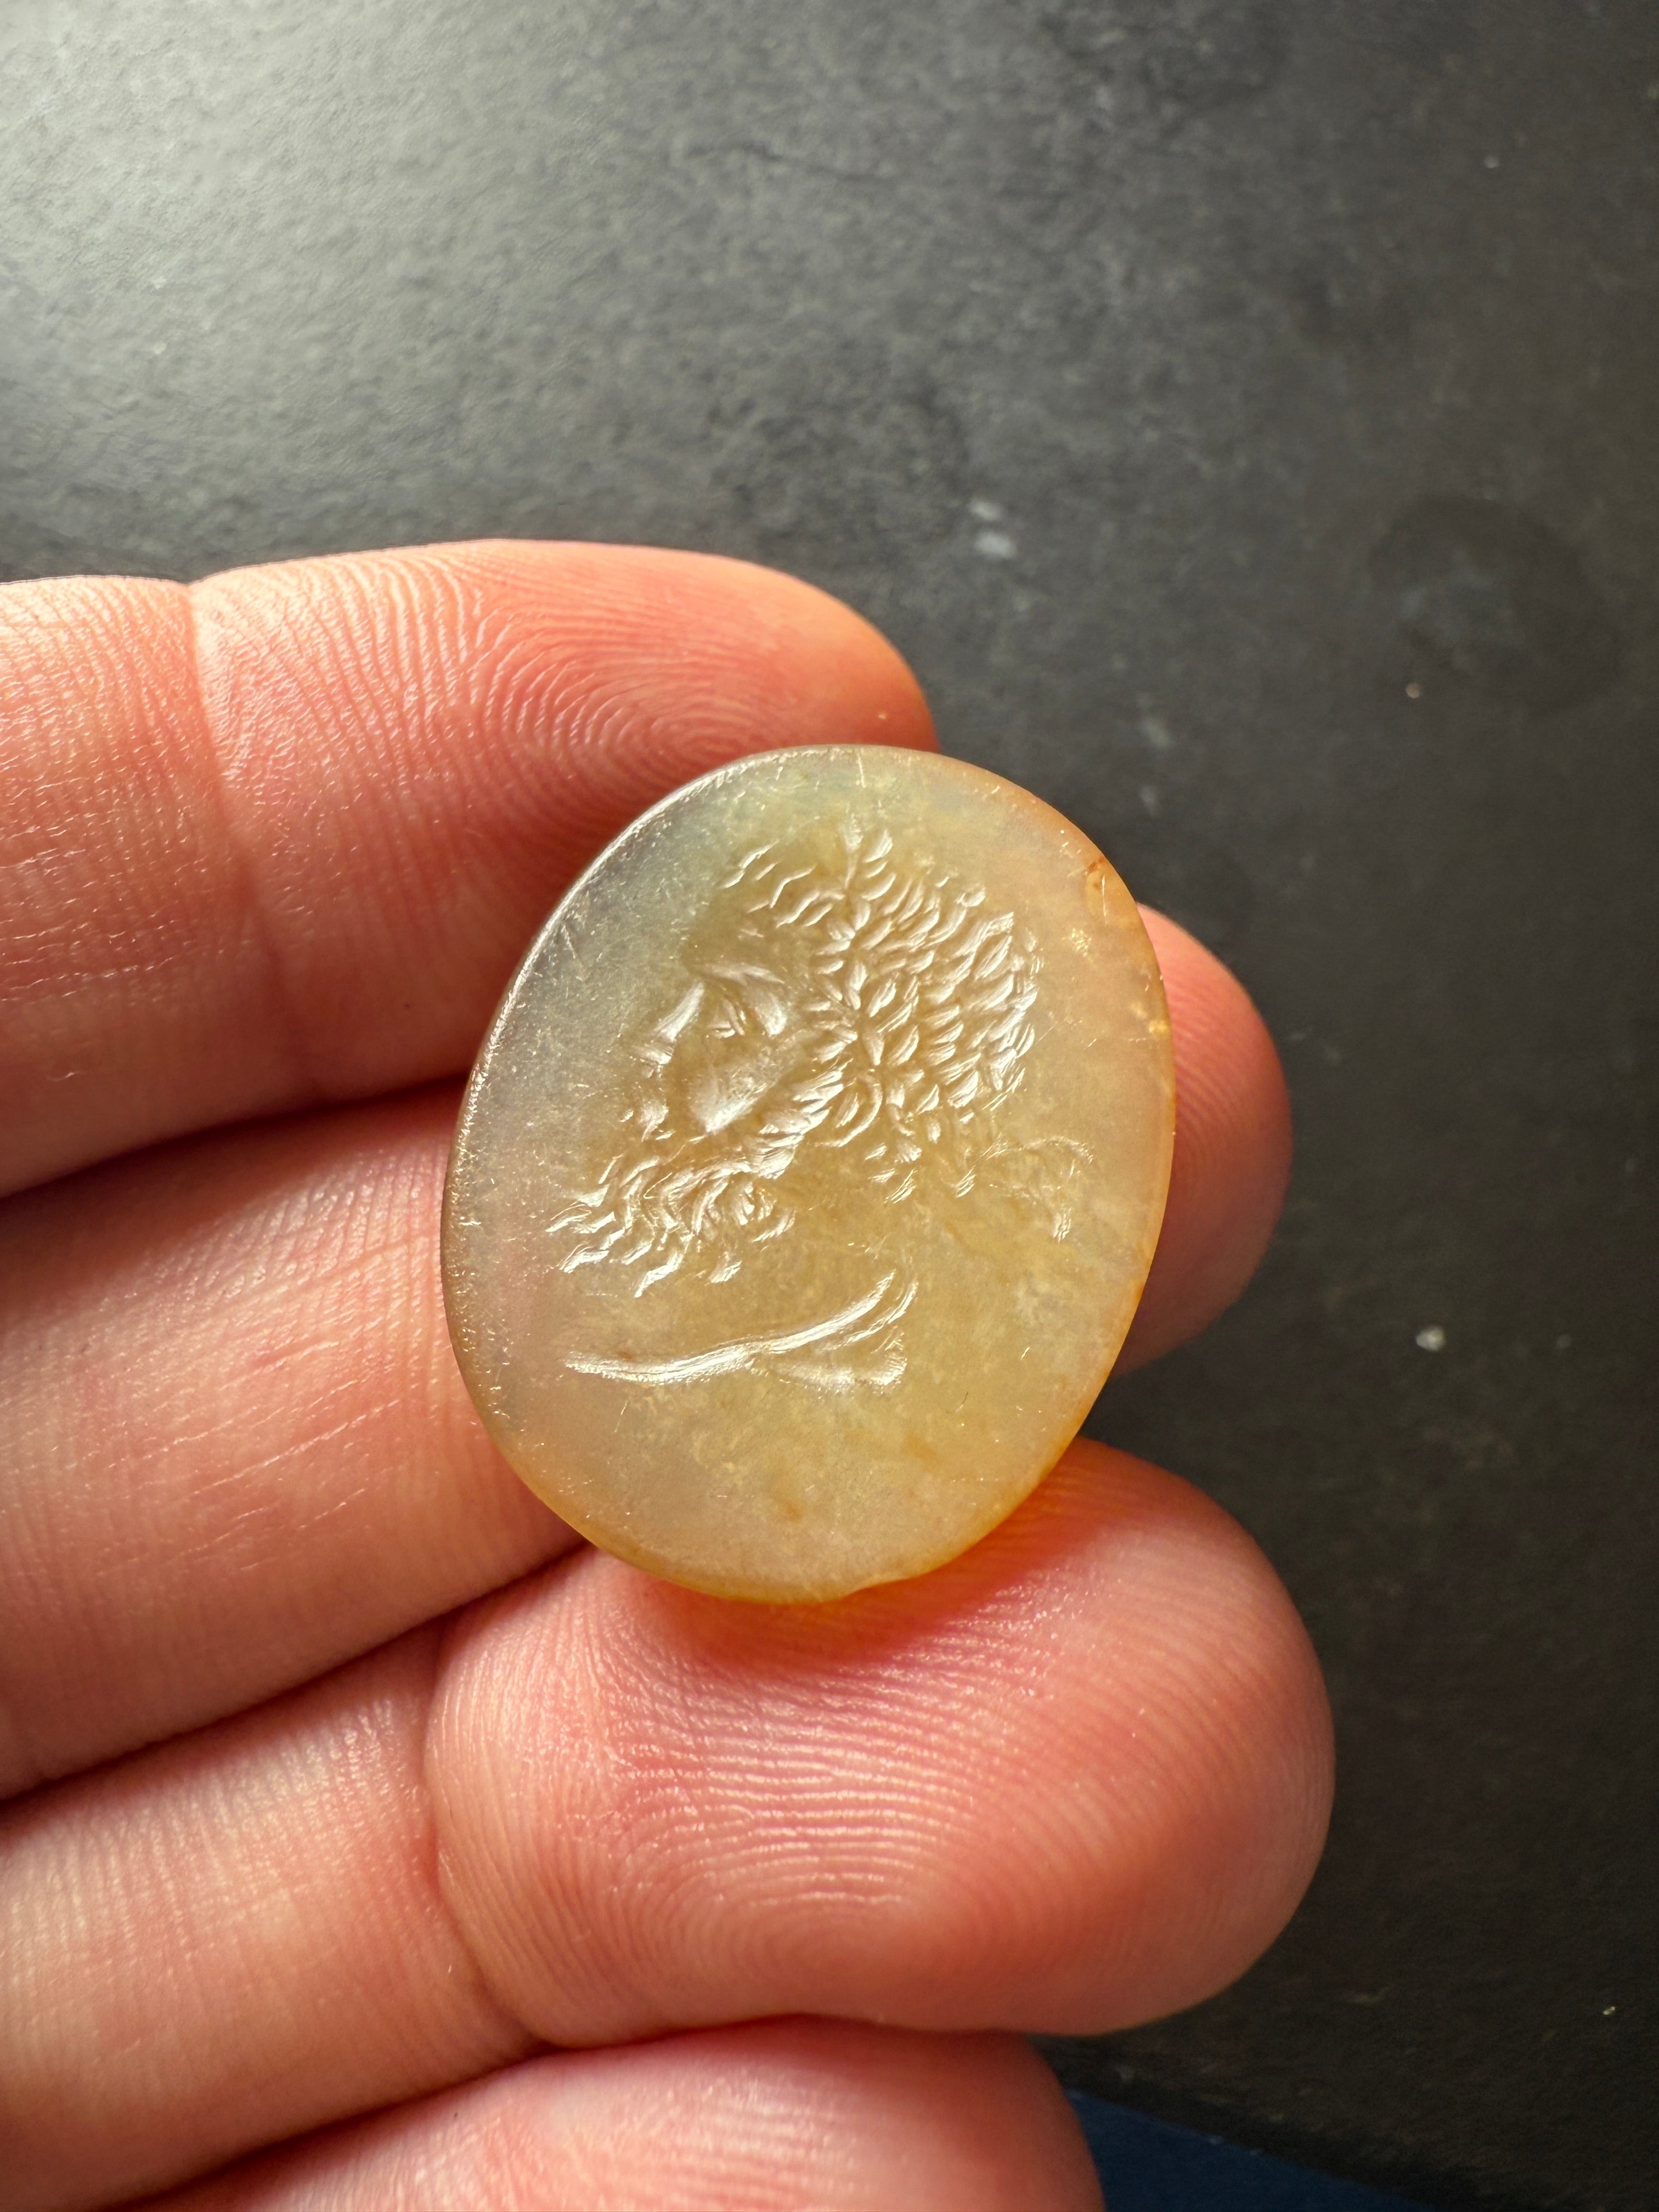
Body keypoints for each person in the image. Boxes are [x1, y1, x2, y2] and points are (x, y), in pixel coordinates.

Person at [0, 540, 1331, 2211]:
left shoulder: (838, 1377)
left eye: (745, 1012)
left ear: (862, 1081)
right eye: (685, 995)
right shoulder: (641, 1336)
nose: (682, 1041)